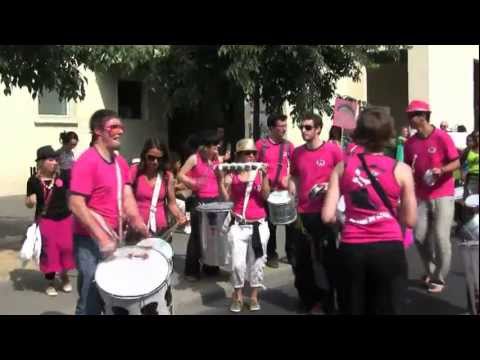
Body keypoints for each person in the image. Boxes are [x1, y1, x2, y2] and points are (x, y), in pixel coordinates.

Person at [322, 107, 417, 314]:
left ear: (360, 134)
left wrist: (344, 222)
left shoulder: (342, 167)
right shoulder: (401, 170)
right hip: (389, 249)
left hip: (352, 248)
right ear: (388, 134)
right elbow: (410, 220)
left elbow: (327, 215)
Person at [69, 109, 148, 315]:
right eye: (114, 127)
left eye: (121, 127)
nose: (120, 131)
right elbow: (76, 204)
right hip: (89, 240)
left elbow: (127, 195)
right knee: (91, 297)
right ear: (97, 131)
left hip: (113, 236)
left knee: (114, 294)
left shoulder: (119, 163)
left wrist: (137, 220)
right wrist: (101, 238)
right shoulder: (87, 161)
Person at [288, 114, 343, 314]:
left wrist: (328, 186)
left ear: (319, 129)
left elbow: (344, 176)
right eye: (302, 127)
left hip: (325, 212)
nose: (304, 131)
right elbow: (294, 175)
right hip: (303, 212)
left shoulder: (333, 150)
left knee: (327, 260)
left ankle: (328, 301)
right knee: (300, 259)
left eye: (308, 127)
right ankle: (306, 299)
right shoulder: (298, 153)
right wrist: (291, 190)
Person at [404, 100, 460, 293]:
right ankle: (432, 271)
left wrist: (441, 170)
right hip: (421, 194)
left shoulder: (442, 137)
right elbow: (407, 167)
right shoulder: (410, 143)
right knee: (418, 237)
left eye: (412, 115)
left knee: (441, 236)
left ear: (423, 116)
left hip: (443, 193)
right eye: (409, 115)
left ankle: (439, 278)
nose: (409, 119)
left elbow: (456, 163)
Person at [218, 139, 271, 312]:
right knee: (237, 264)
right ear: (239, 155)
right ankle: (238, 295)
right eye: (247, 153)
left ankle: (254, 296)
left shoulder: (259, 172)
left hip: (258, 225)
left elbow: (265, 196)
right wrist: (221, 182)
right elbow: (227, 201)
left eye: (253, 153)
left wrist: (265, 176)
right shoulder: (232, 174)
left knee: (257, 263)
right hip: (238, 224)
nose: (251, 156)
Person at [25, 145, 75, 296]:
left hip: (65, 218)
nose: (55, 162)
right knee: (50, 252)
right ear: (41, 162)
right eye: (51, 159)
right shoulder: (33, 181)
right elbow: (28, 203)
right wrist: (30, 201)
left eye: (56, 160)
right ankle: (51, 282)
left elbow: (73, 191)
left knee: (66, 249)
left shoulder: (62, 177)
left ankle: (64, 275)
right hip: (46, 220)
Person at [178, 130, 223, 280]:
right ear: (205, 147)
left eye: (217, 147)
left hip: (214, 200)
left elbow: (221, 177)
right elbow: (180, 174)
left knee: (212, 235)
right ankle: (191, 270)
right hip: (200, 201)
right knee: (197, 235)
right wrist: (192, 183)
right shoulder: (194, 158)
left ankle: (210, 266)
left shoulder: (216, 160)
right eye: (214, 147)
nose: (217, 149)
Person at [255, 114, 295, 268]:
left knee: (290, 224)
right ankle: (271, 255)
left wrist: (290, 178)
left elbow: (296, 167)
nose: (284, 129)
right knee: (271, 225)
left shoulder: (288, 146)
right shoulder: (261, 145)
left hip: (284, 192)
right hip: (269, 191)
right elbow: (255, 166)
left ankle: (291, 254)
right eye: (281, 126)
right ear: (271, 128)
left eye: (285, 126)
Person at [129, 138, 187, 241]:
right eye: (151, 157)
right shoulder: (135, 172)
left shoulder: (167, 176)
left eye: (159, 158)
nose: (155, 162)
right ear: (144, 156)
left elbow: (172, 204)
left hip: (161, 232)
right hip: (137, 230)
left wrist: (180, 216)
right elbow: (125, 198)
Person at [460, 131, 479, 198]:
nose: (478, 138)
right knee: (472, 199)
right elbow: (462, 164)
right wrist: (463, 175)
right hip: (472, 177)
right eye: (476, 136)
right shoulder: (467, 151)